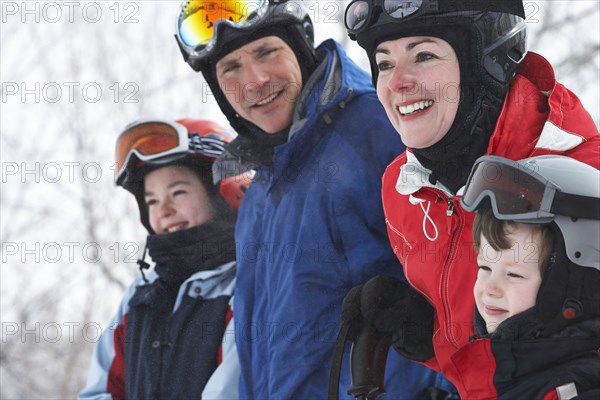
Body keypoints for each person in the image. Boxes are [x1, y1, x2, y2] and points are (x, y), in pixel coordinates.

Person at [174, 0, 456, 399]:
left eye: (266, 52)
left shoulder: (380, 127)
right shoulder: (257, 197)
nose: (253, 81)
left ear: (300, 45)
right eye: (230, 68)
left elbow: (466, 277)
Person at [341, 0, 600, 398]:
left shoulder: (583, 180)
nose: (396, 83)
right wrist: (431, 337)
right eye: (385, 63)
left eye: (423, 55)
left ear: (488, 61)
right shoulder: (405, 189)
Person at [79, 118, 247, 399]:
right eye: (152, 201)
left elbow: (230, 391)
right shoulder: (138, 299)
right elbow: (102, 390)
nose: (164, 210)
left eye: (178, 192)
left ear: (223, 191)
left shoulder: (243, 288)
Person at [462, 155, 600, 398]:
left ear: (574, 288)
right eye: (484, 268)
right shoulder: (503, 368)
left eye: (514, 274)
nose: (490, 289)